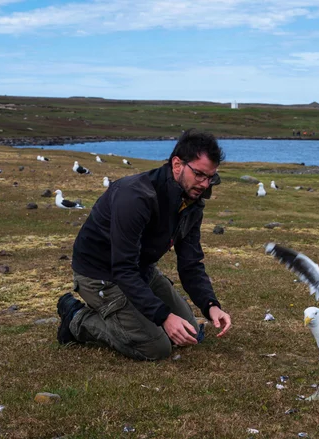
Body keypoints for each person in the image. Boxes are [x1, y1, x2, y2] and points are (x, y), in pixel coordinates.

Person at [56, 129, 232, 360]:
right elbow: (122, 267)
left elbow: (190, 263)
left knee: (190, 332)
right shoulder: (136, 197)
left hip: (139, 271)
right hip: (100, 274)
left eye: (211, 178)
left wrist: (210, 306)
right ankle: (77, 319)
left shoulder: (190, 203)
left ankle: (131, 317)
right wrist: (163, 317)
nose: (205, 184)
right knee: (156, 347)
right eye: (199, 174)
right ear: (177, 164)